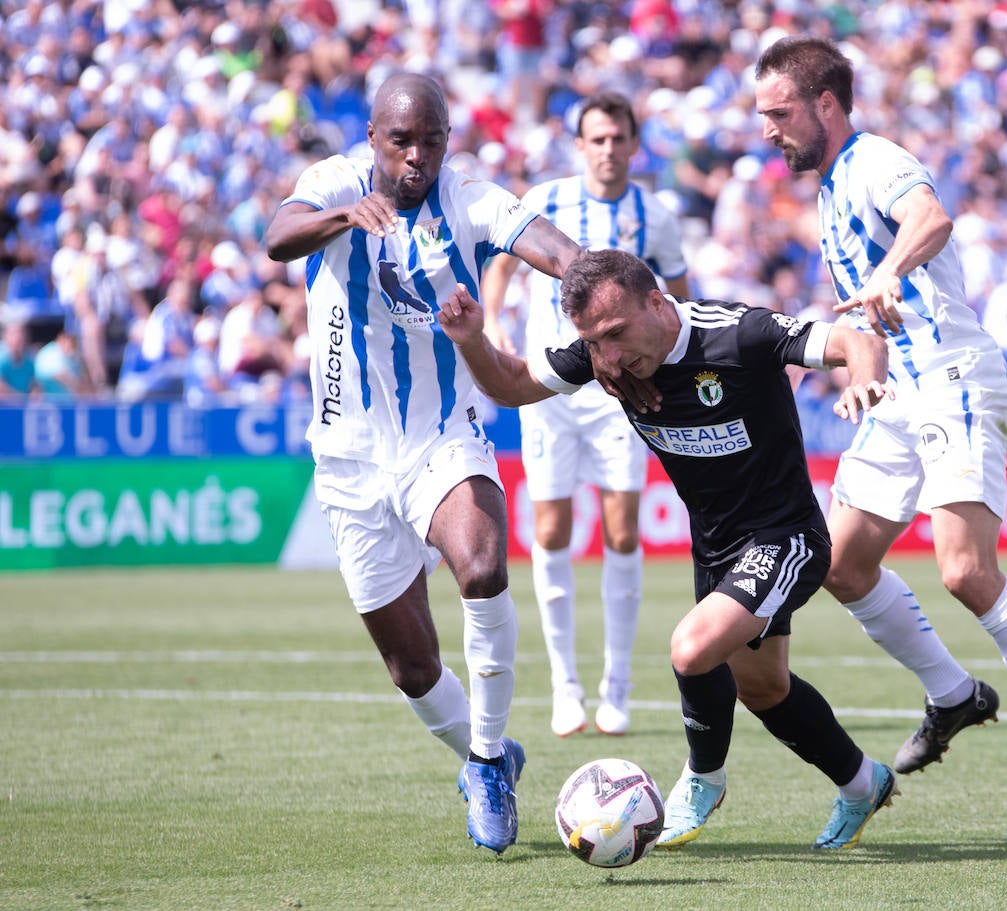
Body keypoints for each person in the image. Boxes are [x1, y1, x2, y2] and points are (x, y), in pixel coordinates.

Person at [754, 35, 1007, 841]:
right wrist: (850, 370)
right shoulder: (831, 184)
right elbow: (866, 311)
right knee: (840, 564)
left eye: (779, 114)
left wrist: (889, 272)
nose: (768, 131)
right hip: (896, 394)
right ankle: (953, 695)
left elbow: (930, 217)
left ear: (827, 106)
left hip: (953, 376)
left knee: (964, 570)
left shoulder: (876, 159)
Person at [438, 248, 899, 850]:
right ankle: (864, 782)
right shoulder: (608, 360)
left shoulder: (739, 334)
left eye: (615, 334)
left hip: (786, 536)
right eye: (593, 343)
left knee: (691, 650)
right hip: (715, 548)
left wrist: (864, 379)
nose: (607, 355)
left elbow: (855, 340)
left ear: (656, 302)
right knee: (763, 689)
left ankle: (702, 779)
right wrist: (472, 339)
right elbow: (511, 385)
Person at [263, 72, 583, 855]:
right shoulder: (332, 182)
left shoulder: (469, 197)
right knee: (412, 667)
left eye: (431, 140)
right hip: (349, 456)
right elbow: (277, 239)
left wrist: (597, 286)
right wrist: (345, 216)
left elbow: (553, 248)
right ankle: (490, 758)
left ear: (449, 140)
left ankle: (483, 758)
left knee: (479, 563)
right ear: (372, 136)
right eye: (401, 140)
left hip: (442, 433)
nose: (416, 156)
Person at [479, 91, 691, 738]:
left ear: (633, 142)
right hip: (551, 385)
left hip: (622, 394)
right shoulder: (547, 199)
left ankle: (615, 687)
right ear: (581, 145)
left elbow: (677, 297)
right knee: (551, 531)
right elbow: (506, 264)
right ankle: (565, 687)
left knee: (623, 531)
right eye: (596, 138)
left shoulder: (653, 214)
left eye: (617, 138)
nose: (607, 149)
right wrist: (492, 322)